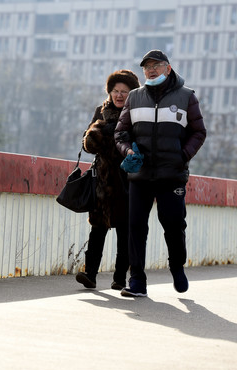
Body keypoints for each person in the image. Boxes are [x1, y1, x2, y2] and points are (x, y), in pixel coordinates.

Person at [114, 50, 207, 297]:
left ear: (168, 68)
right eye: (147, 67)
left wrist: (182, 156)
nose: (151, 70)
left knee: (174, 225)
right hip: (140, 175)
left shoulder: (187, 97)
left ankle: (177, 267)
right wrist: (127, 152)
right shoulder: (134, 97)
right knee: (136, 227)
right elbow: (121, 133)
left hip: (172, 175)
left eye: (156, 65)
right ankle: (137, 281)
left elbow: (199, 132)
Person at [75, 69, 140, 290]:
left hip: (128, 181)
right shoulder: (101, 112)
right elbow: (88, 144)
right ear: (109, 92)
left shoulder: (138, 115)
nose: (119, 95)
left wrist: (111, 139)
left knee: (124, 233)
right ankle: (90, 274)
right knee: (98, 229)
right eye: (115, 91)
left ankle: (119, 278)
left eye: (124, 91)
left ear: (132, 93)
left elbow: (139, 146)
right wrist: (100, 132)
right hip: (102, 182)